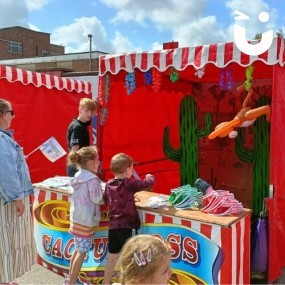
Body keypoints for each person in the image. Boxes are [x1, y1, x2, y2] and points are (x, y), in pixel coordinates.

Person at [103, 153, 156, 285]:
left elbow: (105, 199)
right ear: (127, 170)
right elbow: (147, 183)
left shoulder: (109, 184)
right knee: (131, 259)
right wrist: (150, 177)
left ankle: (106, 282)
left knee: (112, 257)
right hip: (126, 226)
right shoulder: (129, 184)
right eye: (131, 168)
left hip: (113, 226)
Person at [0, 98, 36, 283]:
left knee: (5, 241)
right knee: (6, 240)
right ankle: (5, 279)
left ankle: (6, 277)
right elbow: (5, 172)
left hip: (4, 198)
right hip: (6, 201)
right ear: (3, 115)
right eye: (11, 113)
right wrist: (17, 198)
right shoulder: (1, 139)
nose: (13, 116)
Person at [66, 146, 103, 285]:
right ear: (91, 162)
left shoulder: (77, 175)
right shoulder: (92, 179)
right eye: (97, 160)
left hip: (76, 218)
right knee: (81, 252)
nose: (99, 162)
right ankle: (72, 281)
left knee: (77, 249)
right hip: (86, 220)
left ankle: (70, 279)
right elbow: (97, 198)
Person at [67, 97, 98, 177]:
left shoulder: (82, 124)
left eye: (91, 111)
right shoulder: (77, 127)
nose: (89, 114)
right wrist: (88, 168)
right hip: (77, 167)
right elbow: (75, 151)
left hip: (80, 167)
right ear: (80, 110)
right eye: (87, 111)